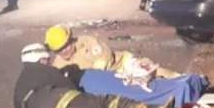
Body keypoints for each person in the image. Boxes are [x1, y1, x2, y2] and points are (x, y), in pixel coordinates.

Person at [14, 44, 174, 108]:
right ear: (41, 60)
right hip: (57, 103)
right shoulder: (44, 70)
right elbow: (67, 87)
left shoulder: (20, 83)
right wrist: (81, 97)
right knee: (104, 103)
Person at [44, 24, 181, 78]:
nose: (64, 51)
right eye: (59, 50)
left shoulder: (86, 42)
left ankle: (180, 78)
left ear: (71, 40)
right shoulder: (58, 65)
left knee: (148, 72)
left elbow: (105, 58)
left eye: (66, 46)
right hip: (110, 82)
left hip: (121, 65)